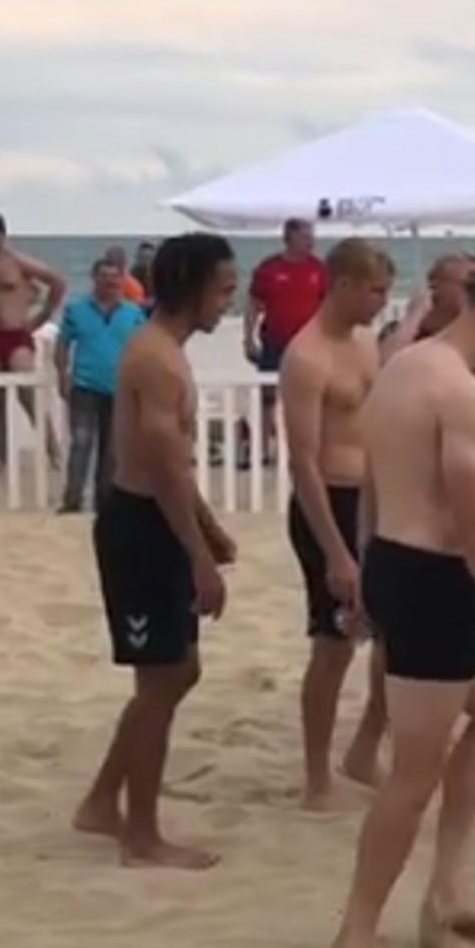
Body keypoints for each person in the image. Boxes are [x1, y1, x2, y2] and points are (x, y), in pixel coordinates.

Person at [327, 262, 475, 948]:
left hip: (396, 559)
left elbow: (375, 481)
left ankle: (445, 891)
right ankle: (355, 933)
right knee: (414, 774)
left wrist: (363, 564)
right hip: (431, 577)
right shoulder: (460, 392)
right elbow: (470, 520)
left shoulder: (401, 363)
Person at [72, 233, 239, 871]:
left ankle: (101, 801)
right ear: (193, 286)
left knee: (176, 671)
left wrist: (207, 527)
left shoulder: (164, 350)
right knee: (161, 677)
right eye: (223, 288)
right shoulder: (156, 360)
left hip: (156, 519)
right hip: (140, 529)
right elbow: (164, 467)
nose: (229, 300)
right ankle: (139, 836)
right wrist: (199, 555)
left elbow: (172, 465)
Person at [279, 239, 394, 811]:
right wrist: (335, 551)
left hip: (370, 501)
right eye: (375, 290)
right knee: (333, 643)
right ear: (344, 284)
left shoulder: (366, 345)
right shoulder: (306, 357)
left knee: (386, 632)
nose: (381, 302)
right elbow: (302, 459)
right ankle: (315, 773)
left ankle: (364, 751)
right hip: (326, 504)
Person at [0, 212, 66, 465]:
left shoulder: (20, 263)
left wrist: (42, 316)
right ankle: (3, 458)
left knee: (28, 394)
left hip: (16, 334)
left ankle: (52, 450)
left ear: (4, 235)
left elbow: (57, 282)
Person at [54, 257, 146, 514]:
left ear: (122, 279)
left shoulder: (133, 313)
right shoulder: (76, 310)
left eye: (114, 276)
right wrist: (62, 374)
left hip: (120, 389)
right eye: (104, 276)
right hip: (84, 387)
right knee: (81, 442)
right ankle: (72, 500)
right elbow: (62, 344)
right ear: (94, 279)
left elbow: (143, 348)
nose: (109, 281)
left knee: (112, 449)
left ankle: (104, 503)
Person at [243, 219, 327, 469]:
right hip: (275, 340)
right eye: (305, 236)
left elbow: (328, 308)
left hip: (309, 344)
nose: (311, 241)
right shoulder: (270, 269)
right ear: (289, 238)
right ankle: (262, 450)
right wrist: (248, 338)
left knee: (310, 396)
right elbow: (252, 305)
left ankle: (308, 449)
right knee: (268, 397)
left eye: (312, 236)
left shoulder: (319, 269)